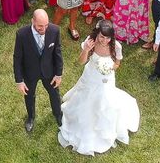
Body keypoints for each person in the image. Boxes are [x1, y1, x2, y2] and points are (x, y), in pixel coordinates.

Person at [58, 20, 139, 156]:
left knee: (104, 100)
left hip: (106, 80)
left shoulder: (116, 46)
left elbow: (117, 64)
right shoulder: (91, 42)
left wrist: (109, 68)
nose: (104, 40)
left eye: (108, 38)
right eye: (102, 36)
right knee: (86, 98)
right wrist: (86, 50)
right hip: (90, 76)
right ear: (97, 33)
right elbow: (81, 61)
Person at [13, 9, 63, 133]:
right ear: (32, 21)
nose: (44, 29)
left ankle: (58, 114)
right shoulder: (22, 34)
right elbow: (17, 58)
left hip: (49, 72)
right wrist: (19, 81)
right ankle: (30, 117)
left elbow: (58, 53)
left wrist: (58, 74)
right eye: (40, 26)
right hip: (30, 73)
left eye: (46, 25)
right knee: (29, 96)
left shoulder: (54, 30)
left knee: (54, 94)